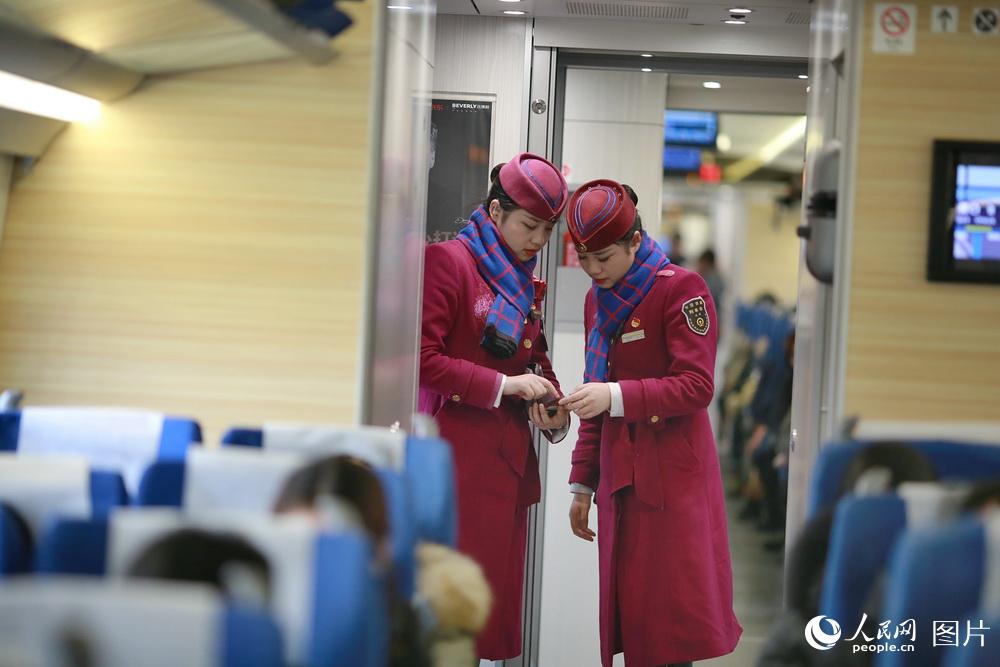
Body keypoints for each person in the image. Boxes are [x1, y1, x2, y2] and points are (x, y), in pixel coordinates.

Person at [559, 179, 741, 667]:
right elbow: (592, 389)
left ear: (635, 243)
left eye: (605, 259)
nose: (595, 272)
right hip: (621, 479)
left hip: (672, 482)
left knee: (669, 628)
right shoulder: (598, 300)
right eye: (585, 259)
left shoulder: (681, 289)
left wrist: (616, 396)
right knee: (634, 622)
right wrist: (581, 482)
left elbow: (697, 386)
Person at [418, 152, 570, 660]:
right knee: (451, 618)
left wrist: (553, 406)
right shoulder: (448, 263)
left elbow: (536, 357)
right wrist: (503, 387)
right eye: (531, 226)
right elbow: (421, 360)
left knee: (488, 617)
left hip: (505, 464)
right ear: (497, 210)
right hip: (455, 462)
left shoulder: (520, 278)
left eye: (548, 232)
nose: (539, 242)